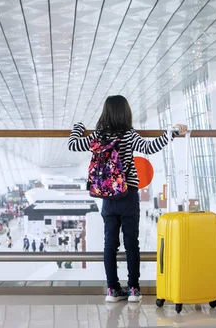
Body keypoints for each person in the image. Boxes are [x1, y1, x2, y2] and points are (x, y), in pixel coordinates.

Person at [68, 95, 186, 303]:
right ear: (126, 113)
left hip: (107, 196)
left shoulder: (98, 135)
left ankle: (112, 290)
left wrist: (78, 127)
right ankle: (133, 289)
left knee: (109, 244)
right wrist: (173, 133)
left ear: (105, 113)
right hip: (128, 194)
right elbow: (150, 148)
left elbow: (73, 145)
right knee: (132, 243)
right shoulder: (128, 135)